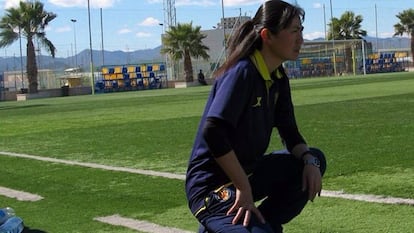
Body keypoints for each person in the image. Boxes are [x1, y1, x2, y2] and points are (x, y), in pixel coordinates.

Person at [185, 1, 327, 233]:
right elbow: (213, 131)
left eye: (301, 30)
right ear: (267, 35)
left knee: (314, 159)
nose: (301, 39)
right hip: (211, 188)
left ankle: (263, 224)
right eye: (294, 31)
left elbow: (290, 133)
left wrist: (310, 162)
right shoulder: (242, 72)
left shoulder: (278, 77)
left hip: (247, 176)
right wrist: (243, 186)